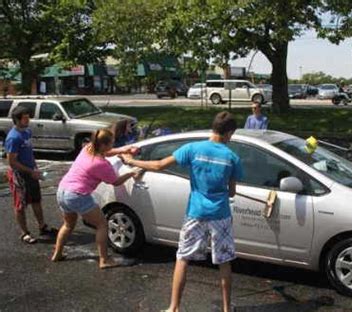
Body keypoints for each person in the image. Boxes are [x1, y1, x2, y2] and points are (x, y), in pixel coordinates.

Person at [120, 111, 243, 312]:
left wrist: (131, 161)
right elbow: (231, 192)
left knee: (183, 257)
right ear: (229, 133)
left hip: (195, 213)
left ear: (213, 128)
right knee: (224, 261)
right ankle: (227, 309)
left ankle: (174, 307)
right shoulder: (232, 157)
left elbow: (159, 165)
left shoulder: (192, 149)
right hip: (220, 215)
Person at [51, 128, 141, 269]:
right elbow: (115, 181)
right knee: (102, 225)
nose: (113, 145)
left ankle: (57, 254)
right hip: (77, 195)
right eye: (112, 143)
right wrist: (132, 173)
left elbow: (107, 152)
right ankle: (104, 260)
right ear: (103, 145)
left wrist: (123, 149)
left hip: (62, 191)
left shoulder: (88, 148)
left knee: (68, 225)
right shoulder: (101, 164)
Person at [6, 106, 58, 244]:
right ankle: (25, 233)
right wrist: (30, 171)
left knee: (36, 200)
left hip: (31, 172)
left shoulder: (27, 132)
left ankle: (42, 226)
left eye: (28, 117)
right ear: (17, 120)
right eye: (25, 118)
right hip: (19, 175)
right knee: (20, 205)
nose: (28, 119)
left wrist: (35, 168)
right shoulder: (13, 138)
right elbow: (12, 162)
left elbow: (29, 153)